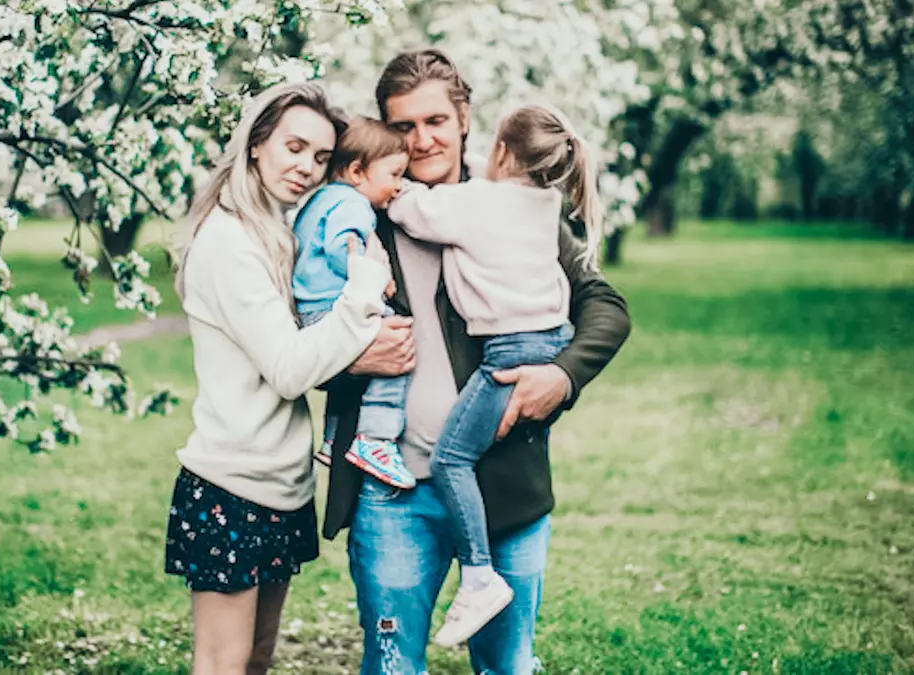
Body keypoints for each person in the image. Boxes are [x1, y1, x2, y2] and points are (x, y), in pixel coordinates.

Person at [320, 49, 632, 674]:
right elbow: (295, 332)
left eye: (435, 120)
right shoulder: (355, 219)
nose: (422, 139)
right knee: (391, 666)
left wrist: (562, 375)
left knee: (508, 667)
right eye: (403, 126)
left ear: (465, 118)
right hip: (393, 493)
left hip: (504, 487)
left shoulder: (514, 206)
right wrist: (350, 360)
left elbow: (605, 304)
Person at [164, 81, 394, 675]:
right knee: (224, 664)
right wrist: (364, 290)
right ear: (257, 142)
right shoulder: (228, 241)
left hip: (280, 485)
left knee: (258, 659)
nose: (307, 168)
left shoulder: (270, 231)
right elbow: (290, 368)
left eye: (321, 158)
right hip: (231, 486)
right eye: (294, 147)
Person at [386, 101, 605, 647]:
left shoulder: (475, 201)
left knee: (452, 457)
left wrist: (389, 183)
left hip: (510, 351)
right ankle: (480, 574)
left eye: (437, 122)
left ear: (499, 150)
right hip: (548, 338)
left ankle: (479, 577)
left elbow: (414, 211)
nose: (422, 139)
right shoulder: (542, 202)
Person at [292, 116, 416, 489]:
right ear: (358, 172)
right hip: (331, 306)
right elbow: (340, 249)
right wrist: (375, 276)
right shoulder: (353, 205)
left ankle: (334, 438)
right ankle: (376, 439)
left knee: (353, 373)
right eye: (394, 174)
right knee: (397, 343)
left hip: (309, 309)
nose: (398, 186)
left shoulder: (321, 199)